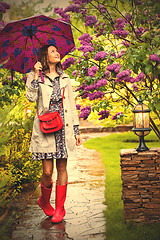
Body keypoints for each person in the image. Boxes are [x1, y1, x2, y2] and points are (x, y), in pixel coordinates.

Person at [26, 45, 81, 223]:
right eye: (52, 51)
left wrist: (76, 129)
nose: (57, 53)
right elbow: (31, 98)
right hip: (46, 130)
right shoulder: (35, 76)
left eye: (57, 51)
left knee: (62, 168)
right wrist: (35, 74)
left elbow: (71, 105)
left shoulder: (65, 78)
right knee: (48, 172)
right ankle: (43, 200)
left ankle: (59, 208)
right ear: (44, 56)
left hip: (63, 128)